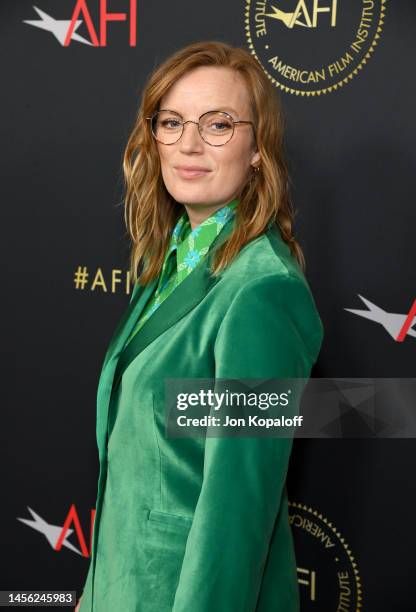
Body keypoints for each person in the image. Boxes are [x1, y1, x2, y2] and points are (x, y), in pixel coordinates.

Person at [76, 40, 324, 612]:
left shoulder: (262, 291)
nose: (188, 144)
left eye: (218, 125)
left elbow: (235, 514)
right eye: (172, 122)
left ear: (258, 148)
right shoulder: (173, 258)